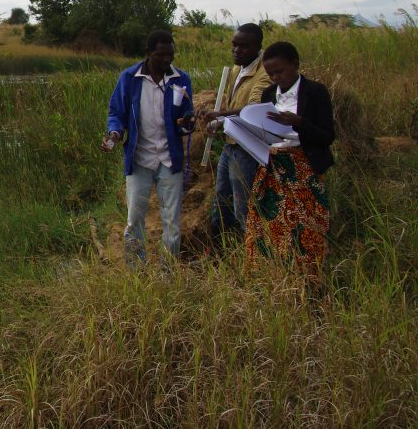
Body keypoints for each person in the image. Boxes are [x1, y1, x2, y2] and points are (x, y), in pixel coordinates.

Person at [101, 30, 194, 266]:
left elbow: (187, 114)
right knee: (135, 218)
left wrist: (187, 122)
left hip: (169, 158)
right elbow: (116, 113)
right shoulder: (130, 78)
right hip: (140, 158)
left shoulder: (180, 79)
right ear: (149, 53)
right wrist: (114, 134)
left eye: (171, 55)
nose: (167, 60)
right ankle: (136, 270)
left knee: (172, 220)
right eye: (161, 55)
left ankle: (168, 270)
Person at [245, 41, 335, 280]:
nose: (275, 77)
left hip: (304, 169)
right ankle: (273, 276)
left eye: (280, 71)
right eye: (271, 73)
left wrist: (298, 123)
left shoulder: (315, 92)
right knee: (270, 225)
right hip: (272, 168)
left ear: (295, 65)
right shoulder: (268, 94)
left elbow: (327, 136)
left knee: (306, 228)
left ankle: (308, 279)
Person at [198, 23, 272, 247]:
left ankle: (252, 260)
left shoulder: (264, 73)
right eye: (234, 45)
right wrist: (219, 120)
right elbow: (231, 106)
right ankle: (219, 253)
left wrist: (219, 114)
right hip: (231, 145)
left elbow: (252, 109)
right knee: (221, 201)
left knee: (244, 207)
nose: (237, 50)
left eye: (244, 46)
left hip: (247, 148)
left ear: (258, 47)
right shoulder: (236, 70)